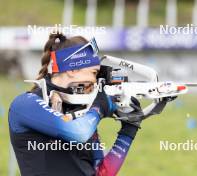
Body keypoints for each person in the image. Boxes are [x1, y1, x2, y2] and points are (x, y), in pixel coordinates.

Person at [8, 32, 170, 176]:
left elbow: (102, 173)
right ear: (72, 69)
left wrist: (129, 128)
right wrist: (100, 107)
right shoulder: (25, 104)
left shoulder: (83, 112)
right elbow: (77, 133)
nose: (95, 80)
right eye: (93, 73)